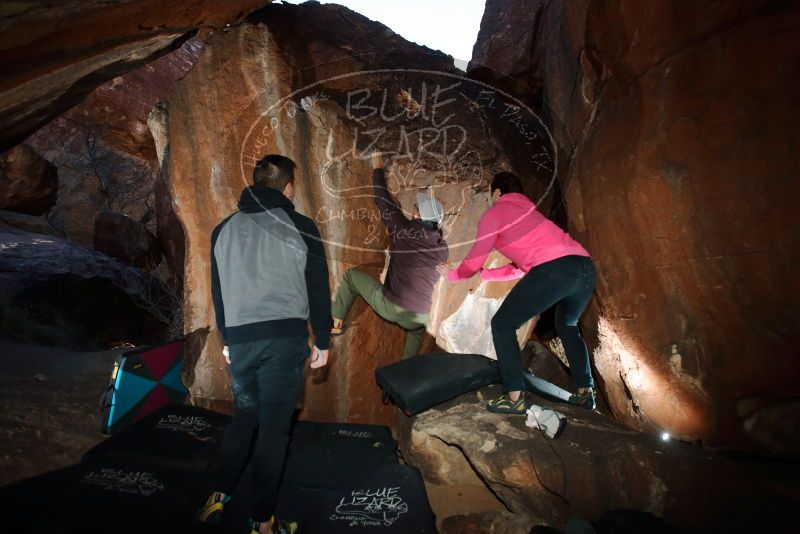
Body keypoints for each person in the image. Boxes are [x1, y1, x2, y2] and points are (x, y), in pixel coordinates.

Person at [197, 154, 332, 534]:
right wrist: (322, 339)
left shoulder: (223, 229)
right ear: (288, 186)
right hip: (284, 340)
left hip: (241, 340)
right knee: (274, 430)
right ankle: (263, 521)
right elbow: (318, 287)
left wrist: (228, 338)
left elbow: (218, 291)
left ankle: (216, 498)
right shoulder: (300, 225)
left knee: (243, 418)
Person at [444, 172, 597, 412]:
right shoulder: (530, 214)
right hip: (585, 267)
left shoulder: (495, 213)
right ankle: (585, 392)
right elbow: (519, 268)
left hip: (554, 269)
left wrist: (455, 275)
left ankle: (514, 397)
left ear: (496, 192)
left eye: (490, 194)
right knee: (567, 325)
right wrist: (485, 274)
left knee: (503, 325)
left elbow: (473, 260)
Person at [330, 152, 448, 359]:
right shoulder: (442, 247)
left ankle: (335, 322)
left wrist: (377, 169)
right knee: (417, 332)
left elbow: (383, 202)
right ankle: (402, 382)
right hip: (419, 316)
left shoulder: (403, 229)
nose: (413, 210)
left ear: (418, 215)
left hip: (391, 307)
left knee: (350, 277)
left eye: (416, 208)